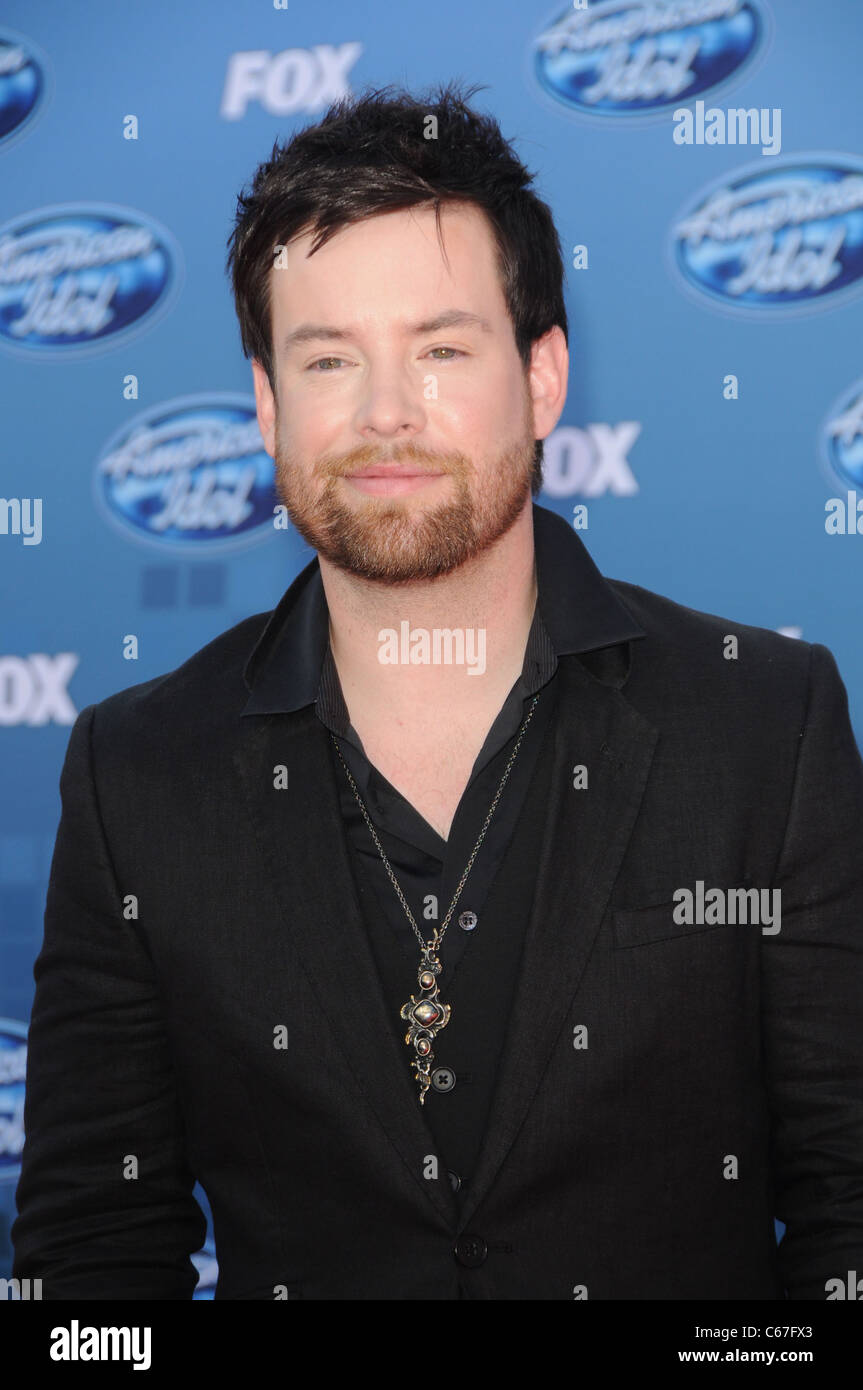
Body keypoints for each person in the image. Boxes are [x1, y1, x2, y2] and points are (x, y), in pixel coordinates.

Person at [12, 82, 863, 1300]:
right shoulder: (136, 771)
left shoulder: (761, 724)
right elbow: (90, 1263)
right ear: (264, 405)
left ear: (544, 376)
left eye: (442, 349)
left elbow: (846, 1203)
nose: (385, 415)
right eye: (328, 359)